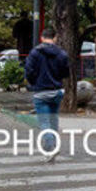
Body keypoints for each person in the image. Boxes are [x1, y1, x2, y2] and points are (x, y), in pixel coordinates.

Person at [24, 27, 70, 162]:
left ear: (42, 37)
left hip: (41, 92)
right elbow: (65, 73)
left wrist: (34, 83)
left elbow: (29, 71)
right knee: (53, 120)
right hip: (56, 91)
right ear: (55, 38)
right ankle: (53, 145)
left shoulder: (34, 53)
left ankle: (50, 148)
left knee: (44, 122)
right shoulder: (62, 54)